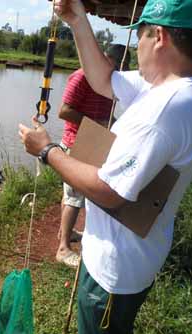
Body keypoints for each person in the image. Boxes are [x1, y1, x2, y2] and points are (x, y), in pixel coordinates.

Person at [19, 0, 192, 334]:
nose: (135, 47)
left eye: (138, 36)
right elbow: (103, 79)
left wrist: (48, 151)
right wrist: (77, 20)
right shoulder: (172, 89)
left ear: (159, 36)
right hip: (131, 255)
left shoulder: (165, 109)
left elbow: (109, 192)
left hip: (115, 268)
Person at [56, 44, 130, 268]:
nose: (120, 71)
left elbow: (106, 116)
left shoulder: (109, 83)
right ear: (107, 60)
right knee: (76, 196)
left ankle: (65, 233)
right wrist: (95, 125)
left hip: (95, 140)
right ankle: (62, 249)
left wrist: (119, 127)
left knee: (73, 194)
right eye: (119, 66)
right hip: (77, 143)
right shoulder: (82, 76)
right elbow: (64, 111)